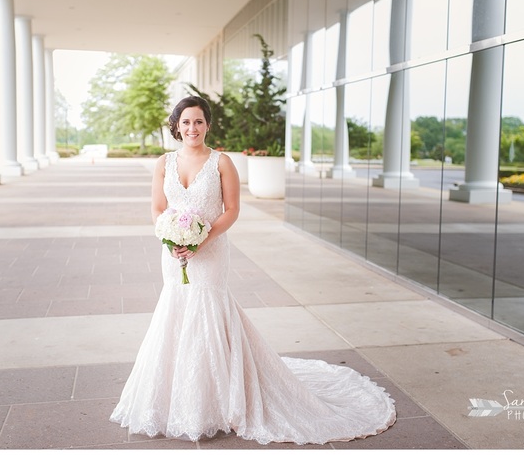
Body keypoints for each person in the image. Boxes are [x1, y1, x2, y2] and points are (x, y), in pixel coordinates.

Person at [109, 96, 395, 445]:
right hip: (174, 254)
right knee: (175, 310)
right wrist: (169, 237)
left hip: (210, 252)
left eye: (199, 122)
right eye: (185, 122)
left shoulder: (221, 162)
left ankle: (220, 401)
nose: (192, 128)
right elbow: (157, 208)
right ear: (176, 125)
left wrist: (201, 240)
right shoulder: (163, 163)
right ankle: (177, 398)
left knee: (209, 311)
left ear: (208, 125)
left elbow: (231, 210)